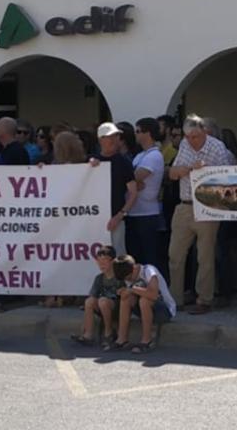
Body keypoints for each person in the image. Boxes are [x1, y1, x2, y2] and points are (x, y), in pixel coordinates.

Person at [167, 114, 234, 315]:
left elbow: (227, 176)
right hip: (184, 205)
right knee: (175, 255)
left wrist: (207, 173)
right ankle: (175, 299)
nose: (190, 140)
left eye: (195, 136)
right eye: (187, 136)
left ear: (204, 132)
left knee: (205, 256)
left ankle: (204, 299)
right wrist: (189, 169)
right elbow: (172, 173)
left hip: (208, 205)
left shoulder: (216, 147)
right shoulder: (185, 146)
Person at [106, 254, 176, 354]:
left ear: (134, 269)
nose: (128, 280)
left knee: (144, 300)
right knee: (126, 297)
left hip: (164, 311)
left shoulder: (149, 271)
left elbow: (154, 295)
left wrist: (132, 289)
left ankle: (147, 340)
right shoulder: (128, 276)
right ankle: (122, 339)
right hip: (144, 310)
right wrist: (124, 292)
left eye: (129, 277)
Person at [94, 123, 138, 254]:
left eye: (116, 136)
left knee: (119, 257)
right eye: (109, 136)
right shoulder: (91, 161)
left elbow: (133, 193)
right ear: (100, 139)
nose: (114, 139)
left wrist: (120, 216)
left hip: (115, 220)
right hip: (93, 220)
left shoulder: (124, 163)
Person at [128, 118, 166, 269]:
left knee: (149, 257)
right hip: (134, 212)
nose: (135, 135)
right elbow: (131, 179)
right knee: (136, 257)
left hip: (147, 214)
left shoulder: (154, 156)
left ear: (147, 133)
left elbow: (135, 176)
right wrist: (133, 182)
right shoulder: (139, 156)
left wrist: (133, 181)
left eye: (138, 131)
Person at [71, 245, 123, 346]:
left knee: (103, 301)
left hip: (117, 308)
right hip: (102, 306)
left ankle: (109, 332)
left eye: (105, 261)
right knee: (89, 301)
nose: (101, 264)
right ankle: (88, 334)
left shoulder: (119, 277)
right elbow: (93, 295)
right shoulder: (99, 278)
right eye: (99, 261)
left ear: (112, 261)